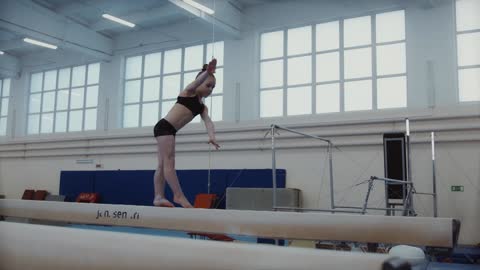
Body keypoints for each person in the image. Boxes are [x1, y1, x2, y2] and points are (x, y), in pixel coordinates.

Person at [152, 58, 220, 208]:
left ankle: (158, 196)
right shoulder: (188, 92)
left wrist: (212, 137)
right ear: (199, 82)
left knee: (162, 164)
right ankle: (178, 196)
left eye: (213, 87)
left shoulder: (202, 107)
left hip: (167, 130)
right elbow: (195, 83)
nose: (210, 89)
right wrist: (207, 72)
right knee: (169, 161)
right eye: (208, 85)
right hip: (165, 127)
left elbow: (208, 122)